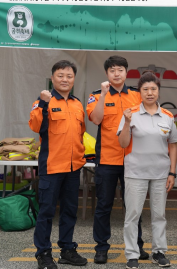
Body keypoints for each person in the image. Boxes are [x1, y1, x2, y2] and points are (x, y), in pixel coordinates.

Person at [86, 55, 147, 263]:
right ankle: (101, 248)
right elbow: (95, 119)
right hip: (107, 160)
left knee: (133, 206)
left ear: (126, 72)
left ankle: (137, 246)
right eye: (112, 70)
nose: (116, 73)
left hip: (133, 159)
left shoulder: (137, 95)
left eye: (120, 69)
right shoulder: (96, 96)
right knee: (104, 205)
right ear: (106, 74)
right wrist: (103, 94)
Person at [29, 60, 88, 269]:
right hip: (52, 167)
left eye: (69, 76)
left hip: (73, 168)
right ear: (53, 78)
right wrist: (44, 103)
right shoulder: (43, 101)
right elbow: (35, 126)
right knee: (46, 212)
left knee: (70, 210)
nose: (65, 79)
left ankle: (67, 250)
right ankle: (43, 254)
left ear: (74, 79)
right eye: (60, 75)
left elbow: (80, 133)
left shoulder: (77, 103)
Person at [118, 71, 177, 269]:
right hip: (135, 172)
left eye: (154, 89)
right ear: (140, 92)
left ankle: (159, 252)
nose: (150, 92)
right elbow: (123, 142)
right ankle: (132, 254)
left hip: (161, 174)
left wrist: (172, 172)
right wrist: (127, 122)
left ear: (159, 92)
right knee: (133, 215)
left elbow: (172, 146)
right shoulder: (130, 113)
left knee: (159, 214)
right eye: (145, 89)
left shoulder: (168, 116)